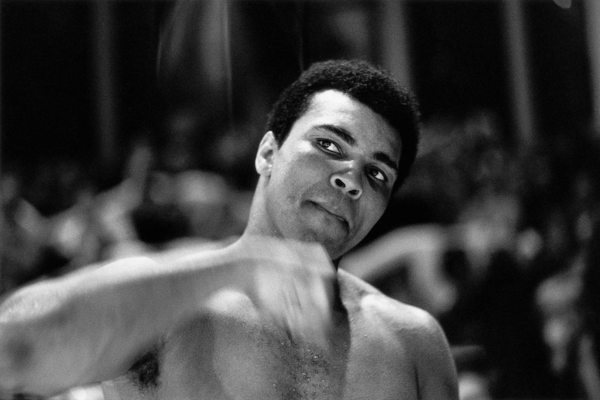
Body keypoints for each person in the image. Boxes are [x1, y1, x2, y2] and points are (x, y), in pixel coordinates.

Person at [0, 59, 458, 400]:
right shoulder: (166, 305)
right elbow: (12, 349)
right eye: (329, 145)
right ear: (268, 153)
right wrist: (234, 269)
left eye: (377, 174)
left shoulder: (414, 343)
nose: (351, 179)